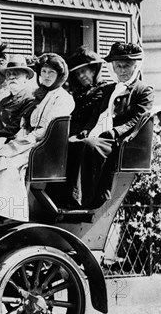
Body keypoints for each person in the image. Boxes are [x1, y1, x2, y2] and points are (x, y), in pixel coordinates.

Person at [0, 53, 74, 221]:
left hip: (43, 147)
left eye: (51, 73)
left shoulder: (63, 98)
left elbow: (46, 130)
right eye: (44, 72)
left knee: (6, 163)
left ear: (60, 76)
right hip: (27, 141)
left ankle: (1, 209)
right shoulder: (39, 95)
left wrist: (18, 143)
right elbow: (24, 123)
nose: (47, 76)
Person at [59, 42, 154, 208]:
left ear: (135, 67)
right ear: (113, 68)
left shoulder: (143, 90)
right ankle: (65, 197)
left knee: (90, 145)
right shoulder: (109, 89)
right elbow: (96, 115)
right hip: (99, 133)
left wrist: (115, 132)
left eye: (126, 66)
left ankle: (85, 200)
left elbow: (138, 119)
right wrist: (85, 131)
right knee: (72, 142)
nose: (122, 71)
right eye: (118, 67)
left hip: (118, 141)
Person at [46, 46, 112, 207]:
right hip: (73, 130)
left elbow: (100, 114)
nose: (82, 76)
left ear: (94, 70)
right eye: (78, 73)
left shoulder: (105, 89)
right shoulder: (76, 94)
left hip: (92, 131)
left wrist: (85, 131)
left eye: (85, 71)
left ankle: (76, 198)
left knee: (76, 145)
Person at [0, 43, 36, 156]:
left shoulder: (30, 99)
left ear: (26, 77)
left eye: (16, 74)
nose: (12, 77)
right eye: (9, 74)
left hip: (6, 143)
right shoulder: (5, 99)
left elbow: (15, 128)